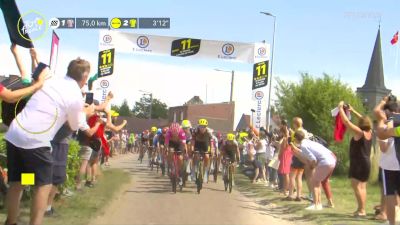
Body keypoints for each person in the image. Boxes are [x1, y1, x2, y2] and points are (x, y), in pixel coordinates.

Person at [4, 58, 90, 225]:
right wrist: (86, 112)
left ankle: (11, 221)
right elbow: (73, 125)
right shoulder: (75, 96)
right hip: (35, 141)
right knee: (43, 185)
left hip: (15, 133)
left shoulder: (52, 81)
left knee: (19, 181)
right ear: (84, 77)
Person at [338, 101, 372, 217]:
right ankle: (361, 209)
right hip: (366, 162)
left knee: (356, 185)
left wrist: (340, 109)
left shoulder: (360, 132)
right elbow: (364, 119)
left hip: (359, 162)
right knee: (362, 186)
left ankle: (361, 210)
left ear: (361, 124)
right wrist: (352, 111)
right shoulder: (369, 132)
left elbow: (347, 123)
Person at [290, 130, 336, 210]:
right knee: (317, 183)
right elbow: (306, 154)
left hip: (325, 161)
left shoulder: (303, 146)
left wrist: (312, 167)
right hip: (331, 159)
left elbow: (313, 160)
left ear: (296, 139)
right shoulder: (307, 142)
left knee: (314, 183)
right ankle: (319, 204)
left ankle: (316, 205)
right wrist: (296, 151)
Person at [374, 96, 400, 225]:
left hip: (389, 166)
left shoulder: (388, 123)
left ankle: (392, 222)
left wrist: (381, 121)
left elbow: (383, 147)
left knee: (390, 194)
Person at [191, 119, 214, 183]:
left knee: (206, 156)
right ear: (198, 126)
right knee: (195, 155)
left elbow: (211, 142)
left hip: (205, 144)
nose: (202, 128)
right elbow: (193, 140)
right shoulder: (195, 131)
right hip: (197, 144)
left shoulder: (209, 132)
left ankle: (205, 173)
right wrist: (192, 147)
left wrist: (211, 149)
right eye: (200, 126)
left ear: (206, 127)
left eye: (204, 126)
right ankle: (193, 170)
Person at [278, 125, 292, 195]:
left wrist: (279, 155)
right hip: (289, 155)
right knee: (286, 174)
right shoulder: (290, 138)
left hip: (285, 155)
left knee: (285, 174)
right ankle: (285, 189)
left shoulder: (285, 139)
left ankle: (286, 190)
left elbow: (283, 148)